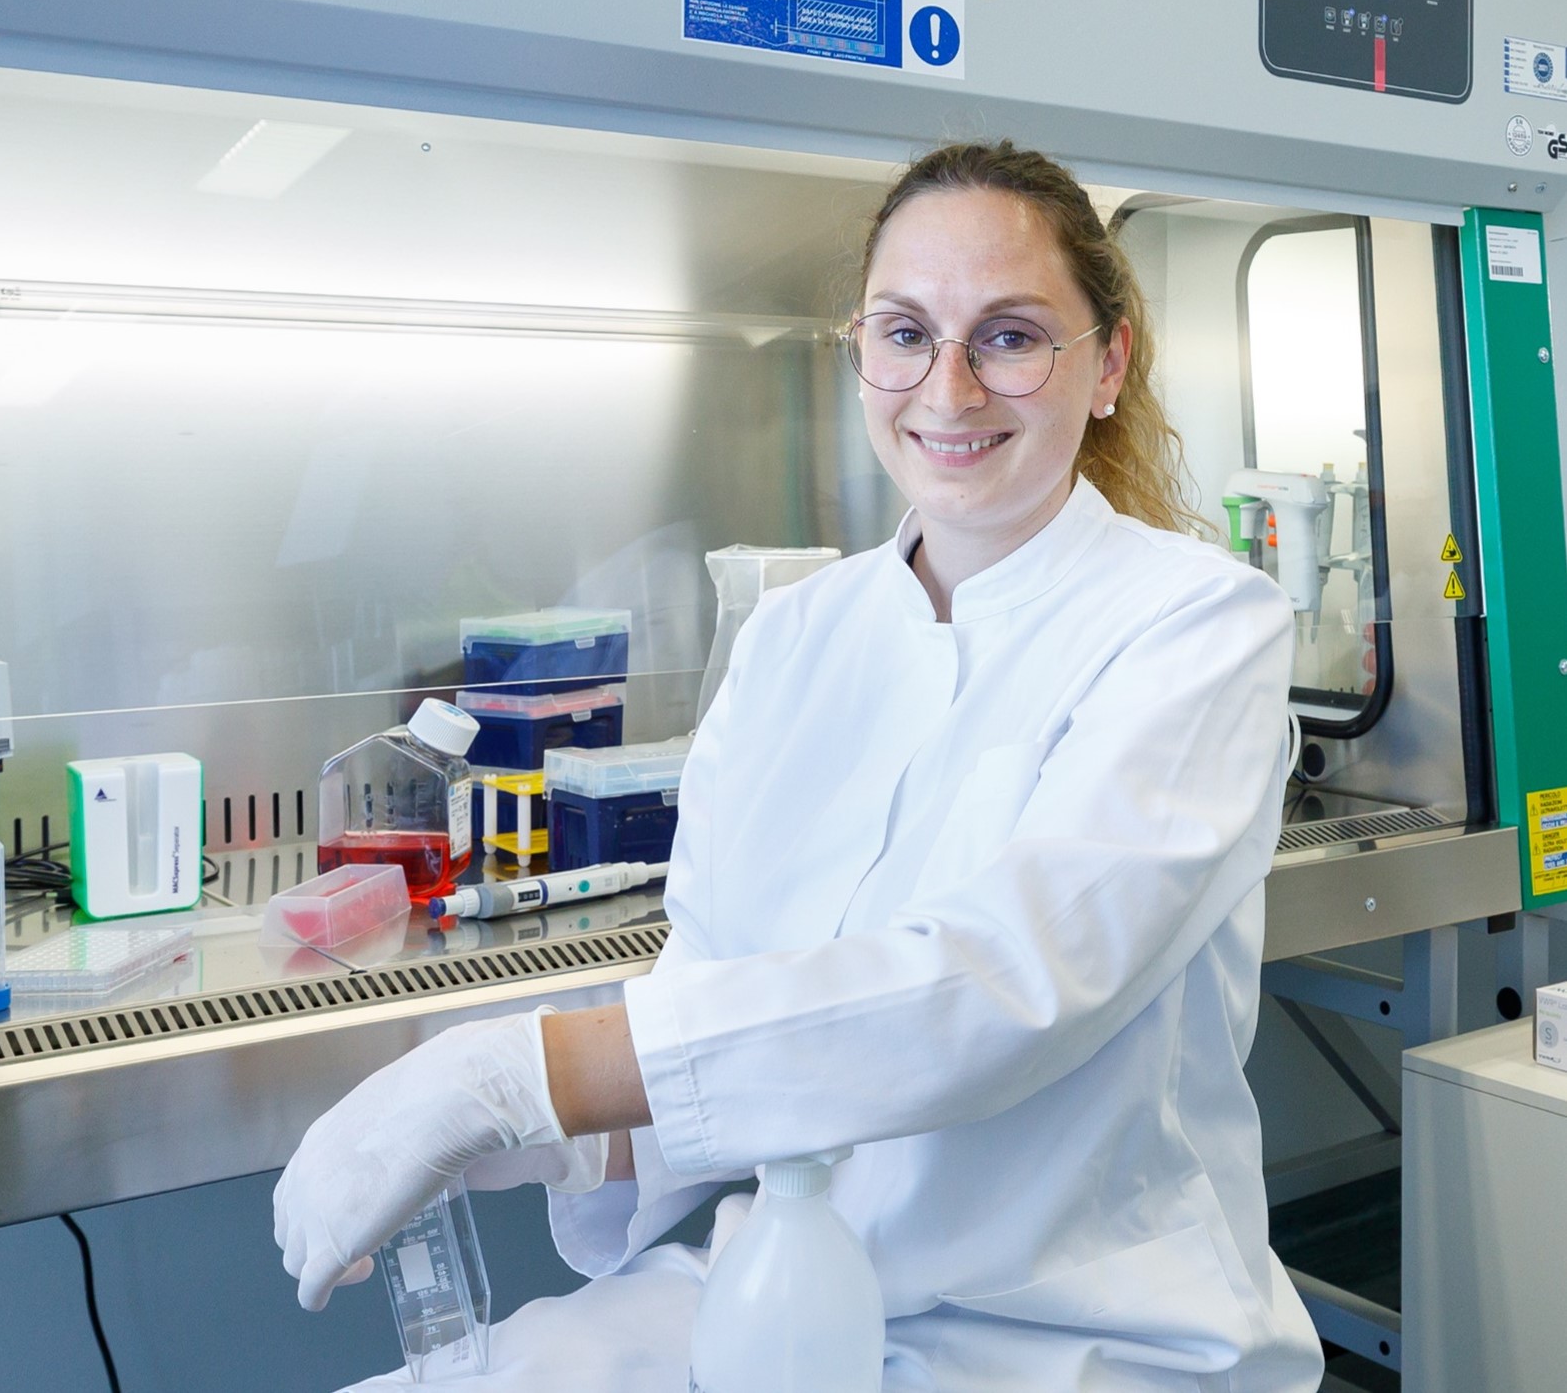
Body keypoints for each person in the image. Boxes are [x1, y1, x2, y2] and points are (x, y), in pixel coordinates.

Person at [274, 140, 1327, 1392]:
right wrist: (557, 1139)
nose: (948, 388)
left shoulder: (1199, 622)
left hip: (1076, 1342)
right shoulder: (793, 638)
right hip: (775, 1294)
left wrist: (526, 1073)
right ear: (859, 352)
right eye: (905, 333)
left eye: (1010, 336)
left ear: (1108, 364)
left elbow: (997, 988)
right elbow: (730, 1013)